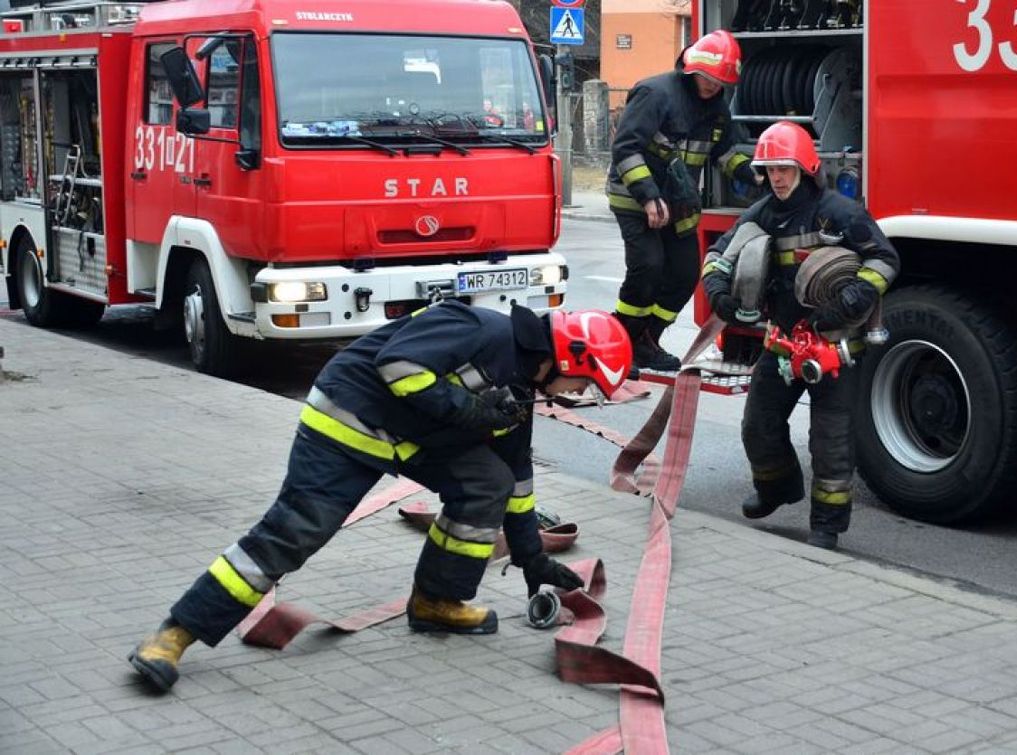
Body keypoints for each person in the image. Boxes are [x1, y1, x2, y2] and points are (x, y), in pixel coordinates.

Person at [128, 301, 633, 692]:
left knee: (489, 481)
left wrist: (531, 556)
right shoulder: (481, 330)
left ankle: (436, 600)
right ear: (569, 356)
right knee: (296, 531)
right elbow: (399, 366)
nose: (579, 395)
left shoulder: (522, 386)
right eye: (585, 384)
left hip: (414, 437)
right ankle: (175, 634)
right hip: (349, 421)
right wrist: (469, 412)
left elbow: (517, 478)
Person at [701, 121, 900, 550]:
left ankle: (827, 525)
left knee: (830, 442)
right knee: (758, 426)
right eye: (770, 170)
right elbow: (718, 255)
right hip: (782, 344)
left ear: (805, 167)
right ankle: (777, 489)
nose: (776, 178)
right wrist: (718, 292)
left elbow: (885, 259)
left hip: (834, 347)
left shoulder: (840, 212)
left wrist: (851, 300)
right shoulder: (761, 213)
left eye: (784, 169)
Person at [606, 29, 759, 372]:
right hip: (635, 197)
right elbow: (625, 149)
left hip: (679, 204)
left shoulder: (717, 109)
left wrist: (753, 174)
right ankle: (623, 340)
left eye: (719, 81)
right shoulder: (655, 93)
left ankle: (648, 340)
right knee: (648, 266)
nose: (711, 85)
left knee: (686, 273)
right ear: (691, 68)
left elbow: (724, 153)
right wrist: (649, 197)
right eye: (706, 77)